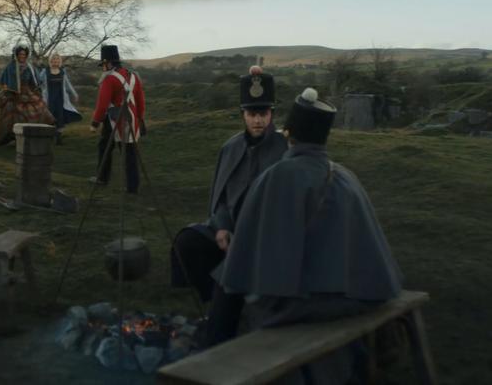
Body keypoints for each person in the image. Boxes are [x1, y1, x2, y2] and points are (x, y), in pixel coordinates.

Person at [212, 87, 403, 384]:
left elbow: (248, 262)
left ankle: (213, 360)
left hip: (321, 303)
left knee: (232, 292)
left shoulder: (280, 176)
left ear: (288, 135)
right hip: (365, 296)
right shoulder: (345, 175)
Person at [170, 67, 287, 307]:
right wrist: (222, 227)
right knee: (187, 243)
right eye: (252, 113)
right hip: (230, 230)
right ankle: (210, 298)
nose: (258, 120)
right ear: (243, 114)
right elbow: (221, 197)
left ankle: (234, 302)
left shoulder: (285, 149)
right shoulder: (230, 148)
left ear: (272, 114)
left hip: (265, 235)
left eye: (263, 113)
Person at [90, 45, 145, 194]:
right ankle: (132, 186)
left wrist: (95, 122)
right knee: (130, 153)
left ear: (108, 63)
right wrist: (140, 118)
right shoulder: (133, 75)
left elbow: (102, 104)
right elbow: (140, 100)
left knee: (105, 147)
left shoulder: (109, 78)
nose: (103, 67)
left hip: (114, 119)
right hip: (131, 118)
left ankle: (102, 177)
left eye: (103, 64)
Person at [0, 45, 55, 146]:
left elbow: (35, 81)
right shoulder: (11, 66)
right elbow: (3, 80)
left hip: (27, 92)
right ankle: (10, 138)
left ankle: (33, 135)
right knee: (11, 113)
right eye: (20, 54)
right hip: (13, 94)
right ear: (16, 55)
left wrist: (37, 89)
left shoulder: (30, 67)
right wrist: (7, 91)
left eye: (24, 54)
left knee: (39, 108)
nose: (22, 56)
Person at [38, 52, 82, 145]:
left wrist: (74, 94)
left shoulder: (62, 72)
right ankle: (49, 137)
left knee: (60, 118)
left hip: (61, 99)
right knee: (49, 118)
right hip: (48, 99)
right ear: (50, 61)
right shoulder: (44, 71)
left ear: (60, 61)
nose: (55, 61)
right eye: (53, 59)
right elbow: (38, 83)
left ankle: (58, 138)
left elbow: (67, 84)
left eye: (57, 59)